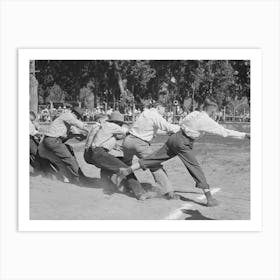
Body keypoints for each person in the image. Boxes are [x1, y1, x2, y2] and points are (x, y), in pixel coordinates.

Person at [119, 99, 250, 207]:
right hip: (183, 142)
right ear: (212, 110)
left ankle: (129, 169)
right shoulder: (206, 120)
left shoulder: (194, 113)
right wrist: (245, 135)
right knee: (194, 167)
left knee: (154, 158)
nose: (215, 114)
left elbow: (182, 123)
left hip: (174, 138)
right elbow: (224, 132)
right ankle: (209, 198)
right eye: (215, 112)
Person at [84, 112, 156, 200]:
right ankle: (140, 193)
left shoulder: (104, 126)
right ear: (118, 123)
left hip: (91, 154)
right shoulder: (113, 126)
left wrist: (115, 145)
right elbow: (128, 133)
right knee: (126, 168)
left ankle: (108, 188)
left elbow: (102, 139)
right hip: (99, 153)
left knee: (108, 165)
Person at [122, 102, 181, 199]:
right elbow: (167, 127)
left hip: (128, 141)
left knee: (127, 166)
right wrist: (182, 128)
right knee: (155, 166)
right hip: (140, 143)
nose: (164, 112)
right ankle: (168, 193)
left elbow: (152, 127)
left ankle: (137, 191)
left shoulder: (145, 113)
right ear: (158, 107)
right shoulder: (155, 115)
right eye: (164, 109)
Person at [39, 106, 89, 184]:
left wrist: (78, 135)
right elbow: (75, 122)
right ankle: (79, 179)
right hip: (52, 141)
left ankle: (68, 178)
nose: (77, 118)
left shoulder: (65, 123)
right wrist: (87, 128)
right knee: (69, 158)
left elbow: (72, 133)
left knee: (61, 160)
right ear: (73, 113)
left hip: (46, 144)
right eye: (77, 116)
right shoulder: (68, 115)